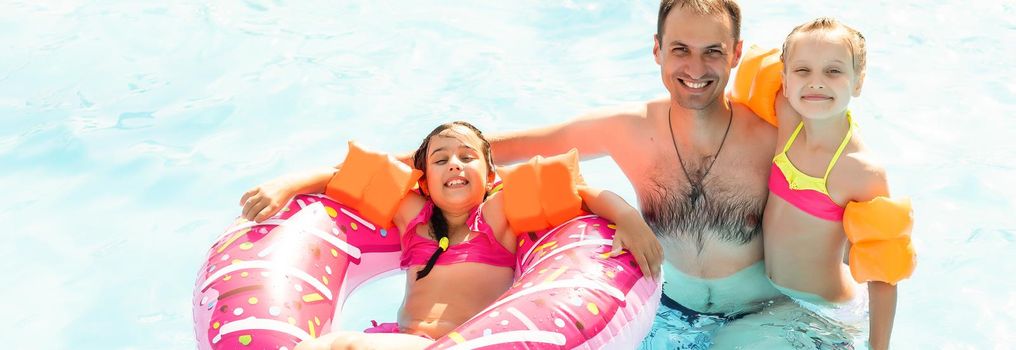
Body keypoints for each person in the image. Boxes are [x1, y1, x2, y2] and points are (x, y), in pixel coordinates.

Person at [486, 1, 790, 348]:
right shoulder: (629, 130)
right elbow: (515, 148)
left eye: (713, 52)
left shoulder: (771, 141)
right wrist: (416, 162)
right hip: (666, 311)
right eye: (680, 50)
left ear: (736, 53)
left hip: (762, 314)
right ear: (657, 49)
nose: (696, 68)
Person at [239, 121, 663, 349]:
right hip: (404, 340)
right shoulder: (414, 219)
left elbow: (581, 191)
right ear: (424, 179)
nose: (455, 165)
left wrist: (628, 217)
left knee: (342, 348)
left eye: (467, 157)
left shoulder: (499, 215)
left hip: (469, 343)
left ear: (491, 174)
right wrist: (288, 185)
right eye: (441, 160)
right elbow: (341, 179)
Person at [761, 18, 912, 350]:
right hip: (772, 292)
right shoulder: (787, 119)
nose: (816, 83)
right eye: (803, 71)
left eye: (833, 72)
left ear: (858, 82)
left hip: (824, 311)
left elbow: (883, 273)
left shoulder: (860, 170)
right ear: (784, 81)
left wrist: (879, 348)